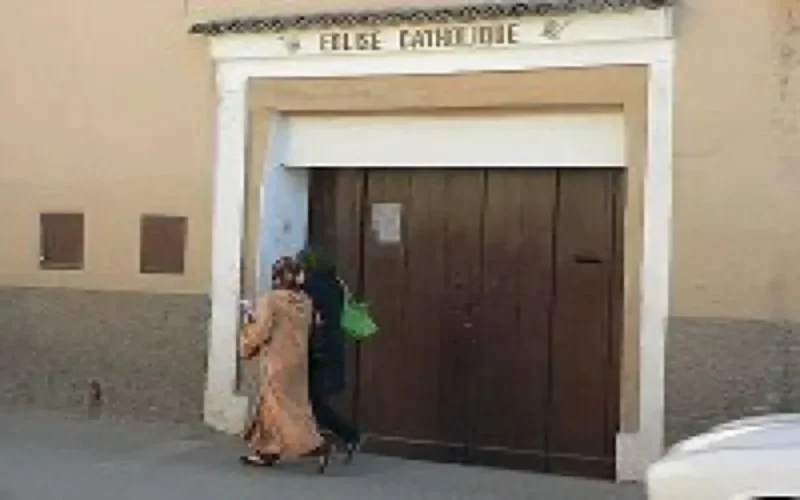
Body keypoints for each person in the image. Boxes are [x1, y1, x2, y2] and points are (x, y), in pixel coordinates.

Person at [238, 256, 332, 473]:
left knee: (283, 408)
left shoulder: (271, 300)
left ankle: (316, 445)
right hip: (299, 361)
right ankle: (267, 451)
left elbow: (261, 331)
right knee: (278, 404)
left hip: (278, 360)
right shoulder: (306, 301)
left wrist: (248, 322)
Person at [298, 248, 362, 462]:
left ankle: (343, 437)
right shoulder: (336, 284)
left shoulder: (310, 286)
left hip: (317, 350)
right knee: (311, 400)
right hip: (331, 347)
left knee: (310, 401)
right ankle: (324, 441)